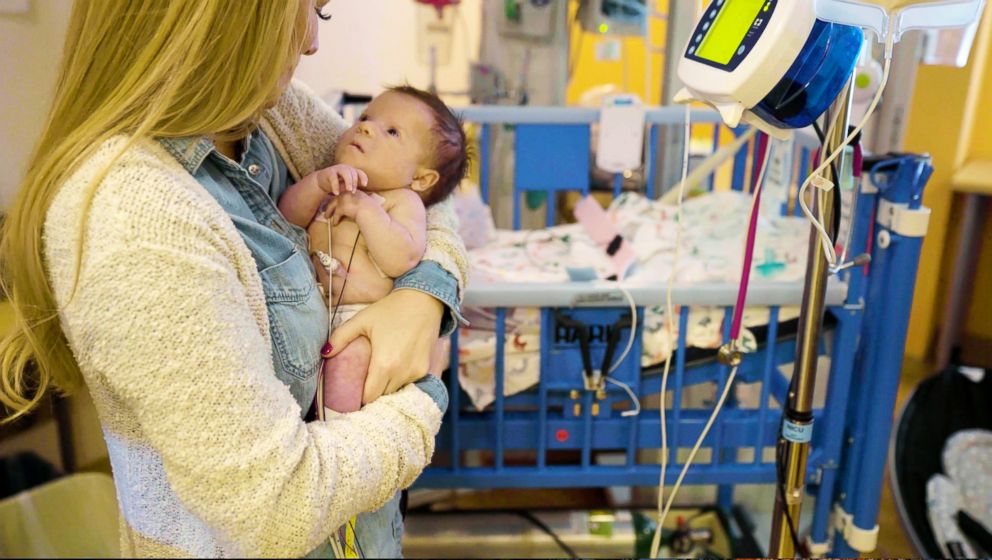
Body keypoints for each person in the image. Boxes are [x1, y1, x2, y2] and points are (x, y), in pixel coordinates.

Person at [0, 1, 467, 557]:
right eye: (306, 7)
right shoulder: (133, 216)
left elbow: (417, 191)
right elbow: (275, 511)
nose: (312, 41)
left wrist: (422, 299)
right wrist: (427, 393)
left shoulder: (266, 116)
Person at [278, 85, 468, 414]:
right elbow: (284, 219)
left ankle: (339, 432)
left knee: (349, 364)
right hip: (312, 314)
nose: (365, 126)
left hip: (364, 318)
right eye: (366, 117)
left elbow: (401, 259)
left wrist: (367, 211)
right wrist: (318, 184)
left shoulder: (401, 201)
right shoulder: (331, 183)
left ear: (421, 179)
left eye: (392, 131)